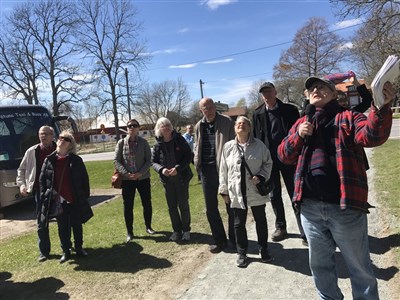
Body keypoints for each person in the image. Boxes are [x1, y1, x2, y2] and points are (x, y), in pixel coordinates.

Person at [278, 76, 395, 299]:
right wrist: (298, 136)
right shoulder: (302, 123)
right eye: (311, 88)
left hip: (345, 208)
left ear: (334, 93)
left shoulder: (348, 117)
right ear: (307, 96)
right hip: (310, 209)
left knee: (359, 269)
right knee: (321, 269)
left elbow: (372, 135)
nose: (315, 90)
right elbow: (283, 155)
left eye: (321, 87)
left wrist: (381, 108)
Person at [252, 82, 306, 244]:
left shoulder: (290, 110)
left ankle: (305, 230)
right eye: (263, 92)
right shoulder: (257, 113)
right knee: (274, 195)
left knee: (295, 194)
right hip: (269, 161)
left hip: (289, 158)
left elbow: (299, 134)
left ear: (275, 92)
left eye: (269, 91)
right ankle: (281, 227)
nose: (266, 95)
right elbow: (256, 138)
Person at [219, 116, 273, 268]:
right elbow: (223, 170)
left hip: (255, 190)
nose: (241, 125)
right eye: (239, 123)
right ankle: (241, 252)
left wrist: (262, 176)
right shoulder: (228, 147)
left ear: (249, 128)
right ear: (235, 128)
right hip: (236, 191)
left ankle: (264, 249)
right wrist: (223, 191)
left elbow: (268, 163)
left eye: (245, 123)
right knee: (238, 223)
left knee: (260, 221)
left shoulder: (259, 146)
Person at [39, 131, 93, 263]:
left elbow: (84, 179)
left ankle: (79, 248)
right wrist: (45, 196)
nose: (62, 140)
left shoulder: (76, 160)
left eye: (66, 139)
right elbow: (42, 181)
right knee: (62, 227)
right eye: (61, 138)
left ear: (70, 144)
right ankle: (66, 251)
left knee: (76, 224)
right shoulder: (49, 160)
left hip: (74, 198)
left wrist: (84, 196)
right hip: (58, 200)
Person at [194, 97, 235, 253]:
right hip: (206, 171)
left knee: (230, 205)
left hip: (224, 170)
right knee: (210, 208)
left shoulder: (227, 122)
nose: (209, 111)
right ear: (201, 110)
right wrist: (197, 162)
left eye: (211, 107)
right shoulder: (199, 126)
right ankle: (219, 240)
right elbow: (197, 146)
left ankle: (234, 239)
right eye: (206, 108)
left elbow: (234, 145)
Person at [17, 125, 57, 262]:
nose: (43, 136)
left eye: (46, 133)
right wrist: (22, 185)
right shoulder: (32, 151)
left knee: (64, 221)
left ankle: (67, 247)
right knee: (42, 222)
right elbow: (21, 170)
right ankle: (44, 252)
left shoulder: (60, 149)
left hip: (59, 191)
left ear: (52, 135)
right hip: (40, 192)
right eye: (41, 134)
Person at [152, 117, 193, 241]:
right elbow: (153, 161)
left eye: (168, 124)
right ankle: (176, 231)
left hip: (181, 179)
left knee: (183, 205)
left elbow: (188, 156)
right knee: (172, 207)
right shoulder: (157, 144)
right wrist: (161, 169)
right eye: (163, 125)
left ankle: (186, 230)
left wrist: (178, 168)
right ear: (159, 129)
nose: (166, 127)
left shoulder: (179, 139)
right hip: (167, 181)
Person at [114, 119, 154, 242]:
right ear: (127, 128)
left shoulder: (144, 143)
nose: (132, 127)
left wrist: (140, 173)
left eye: (134, 126)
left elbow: (149, 160)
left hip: (142, 178)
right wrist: (126, 173)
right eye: (129, 126)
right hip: (127, 180)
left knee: (146, 203)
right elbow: (116, 160)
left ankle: (148, 227)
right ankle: (130, 232)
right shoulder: (121, 143)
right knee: (128, 206)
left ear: (138, 128)